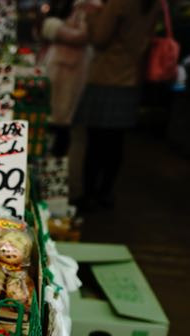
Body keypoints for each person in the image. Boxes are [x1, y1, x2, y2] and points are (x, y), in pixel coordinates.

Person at [75, 0, 162, 210]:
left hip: (107, 77)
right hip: (131, 77)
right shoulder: (154, 5)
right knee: (115, 142)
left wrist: (91, 15)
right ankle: (106, 192)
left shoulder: (118, 2)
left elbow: (99, 38)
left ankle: (89, 194)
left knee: (96, 142)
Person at [42, 0, 100, 157]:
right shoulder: (74, 5)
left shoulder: (89, 6)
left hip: (70, 68)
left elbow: (83, 36)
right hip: (61, 66)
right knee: (54, 118)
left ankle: (56, 165)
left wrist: (54, 28)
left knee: (62, 122)